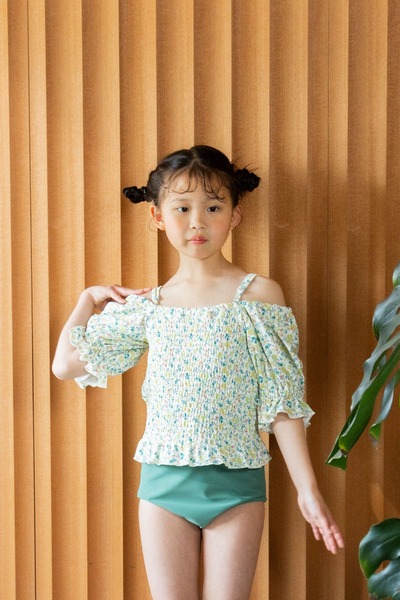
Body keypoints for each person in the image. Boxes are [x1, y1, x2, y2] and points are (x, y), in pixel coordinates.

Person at [52, 145, 344, 600]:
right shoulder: (149, 307)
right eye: (182, 208)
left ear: (235, 215)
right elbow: (65, 364)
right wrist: (87, 301)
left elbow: (283, 402)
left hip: (238, 484)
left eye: (213, 207)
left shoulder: (259, 296)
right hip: (163, 487)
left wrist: (308, 490)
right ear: (157, 216)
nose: (197, 223)